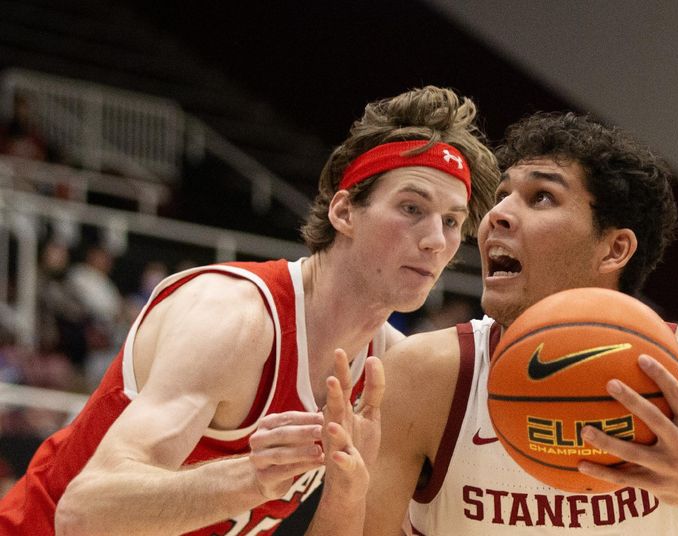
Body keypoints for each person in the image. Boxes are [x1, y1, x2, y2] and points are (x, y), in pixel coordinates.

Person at [0, 85, 500, 535]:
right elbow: (83, 514)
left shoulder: (388, 367)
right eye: (412, 208)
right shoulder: (233, 316)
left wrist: (348, 492)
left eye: (453, 222)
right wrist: (253, 477)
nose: (437, 240)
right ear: (345, 211)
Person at [362, 112, 678, 535]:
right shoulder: (428, 373)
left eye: (541, 197)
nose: (497, 216)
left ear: (615, 249)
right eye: (502, 195)